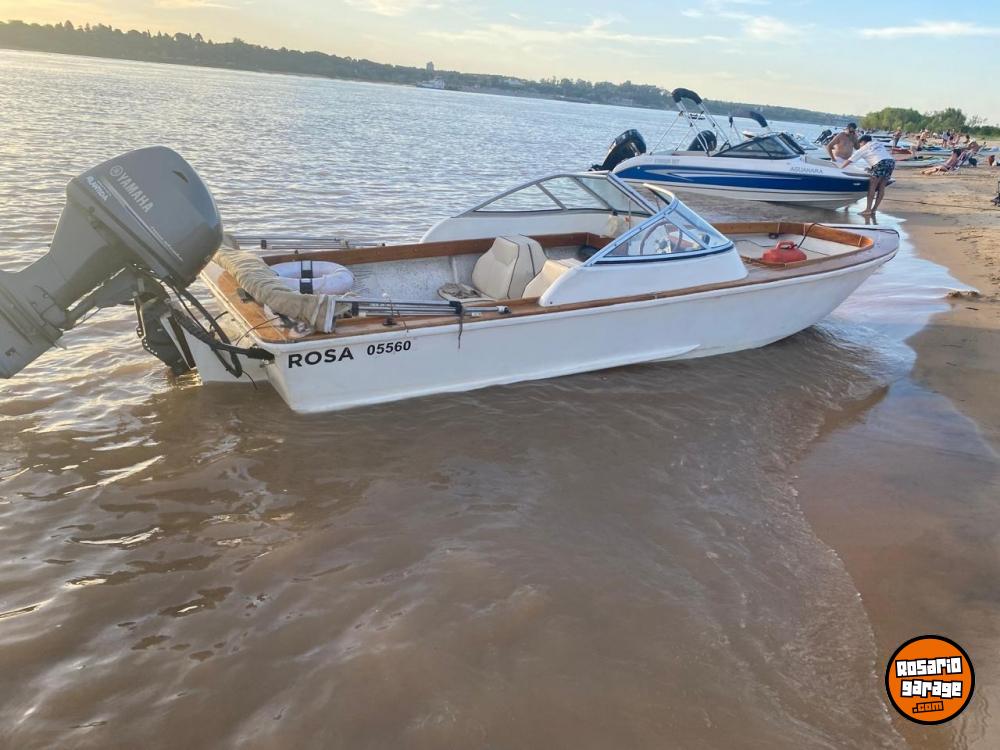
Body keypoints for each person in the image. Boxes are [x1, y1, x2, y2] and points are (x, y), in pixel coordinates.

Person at [838, 134, 894, 215]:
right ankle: (874, 209)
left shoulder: (863, 148)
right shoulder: (878, 143)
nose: (860, 145)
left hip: (880, 163)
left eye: (860, 143)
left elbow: (850, 160)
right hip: (891, 162)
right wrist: (872, 168)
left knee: (872, 187)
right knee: (881, 187)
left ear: (863, 142)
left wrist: (839, 168)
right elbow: (878, 155)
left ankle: (868, 210)